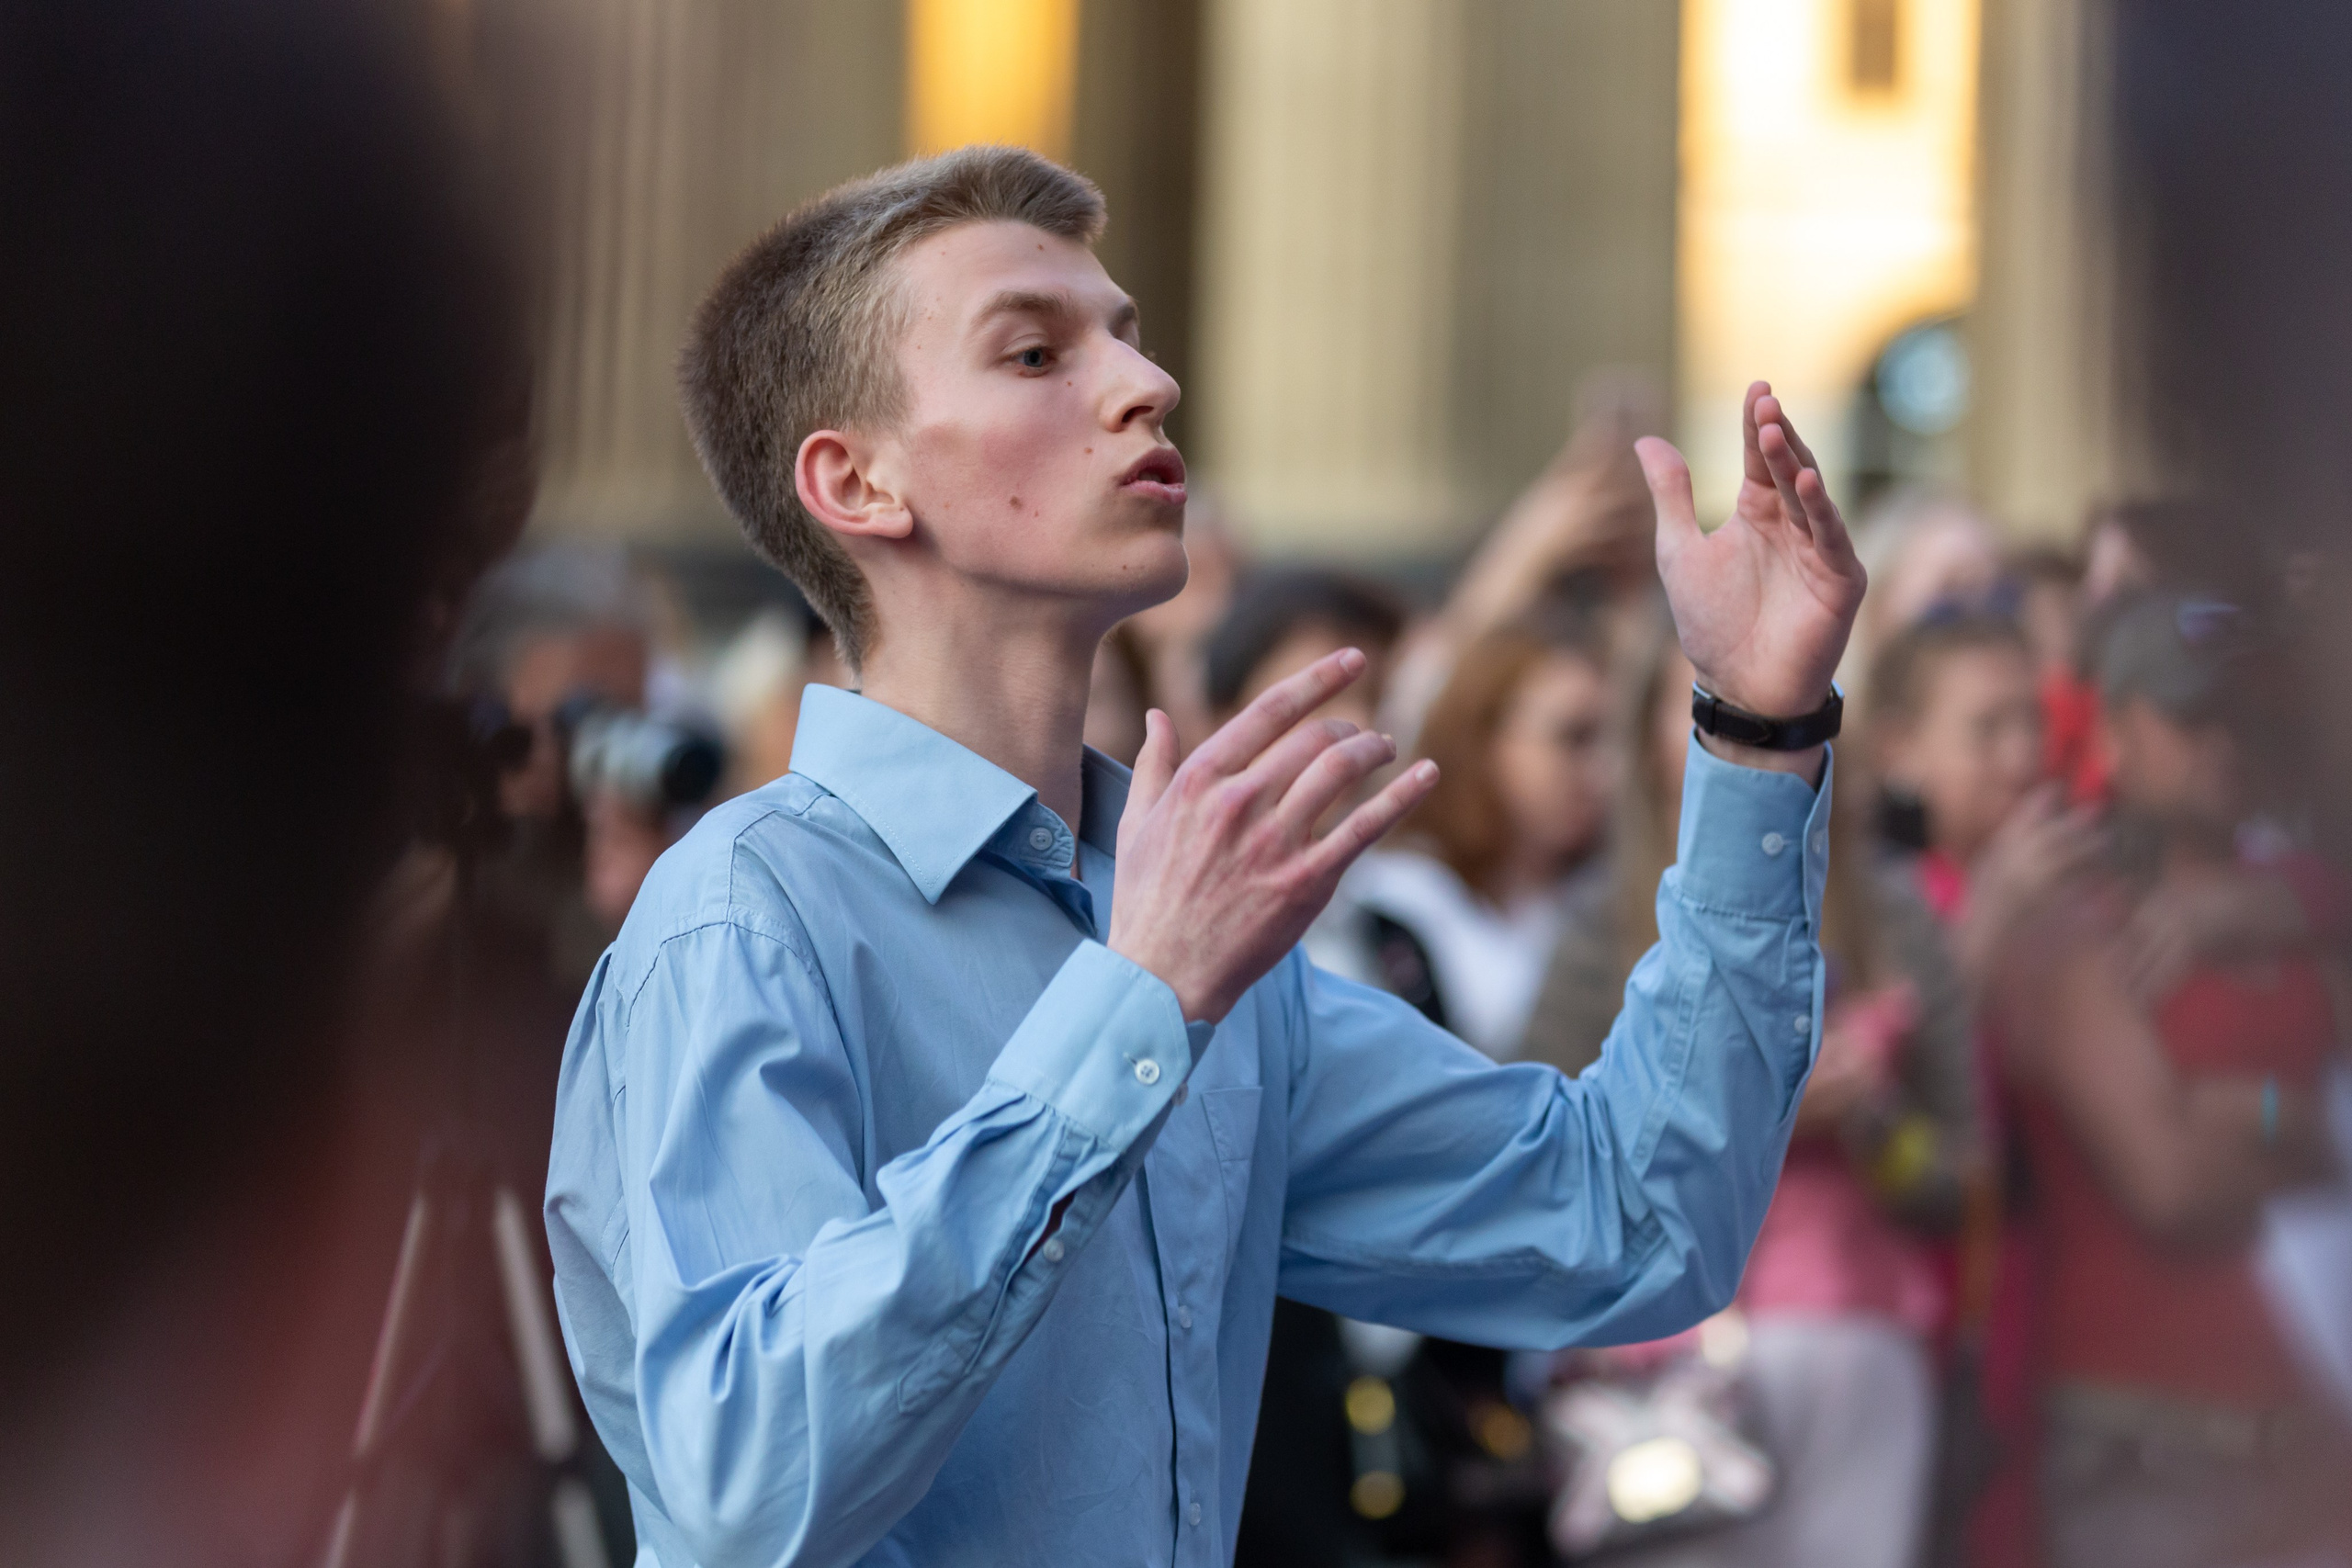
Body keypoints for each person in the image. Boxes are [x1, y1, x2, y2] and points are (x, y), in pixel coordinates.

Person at [543, 146, 1866, 1568]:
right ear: (855, 479)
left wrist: (1757, 729)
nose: (1146, 381)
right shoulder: (743, 913)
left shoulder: (1187, 930)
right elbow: (746, 1484)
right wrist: (1137, 1004)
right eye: (1039, 350)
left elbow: (1636, 1218)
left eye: (1125, 332)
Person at [1522, 604, 1980, 1568]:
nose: (1747, 722)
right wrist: (1728, 1110)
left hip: (1850, 1356)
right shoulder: (1594, 924)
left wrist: (1870, 1119)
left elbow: (1964, 1183)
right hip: (1658, 1379)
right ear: (1644, 728)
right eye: (1701, 702)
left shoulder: (1887, 911)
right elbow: (1541, 1159)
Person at [1994, 595, 2351, 1568]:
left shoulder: (2295, 915)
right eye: (2193, 717)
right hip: (2149, 1458)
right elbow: (2173, 1180)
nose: (2226, 743)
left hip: (2314, 1456)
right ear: (2111, 728)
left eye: (2245, 713)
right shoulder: (2074, 920)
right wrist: (2319, 1143)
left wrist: (2276, 1111)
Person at [1342, 608, 1619, 1058]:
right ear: (1481, 738)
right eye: (1574, 737)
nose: (1602, 773)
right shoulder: (1393, 907)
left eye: (1611, 741)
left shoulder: (1600, 894)